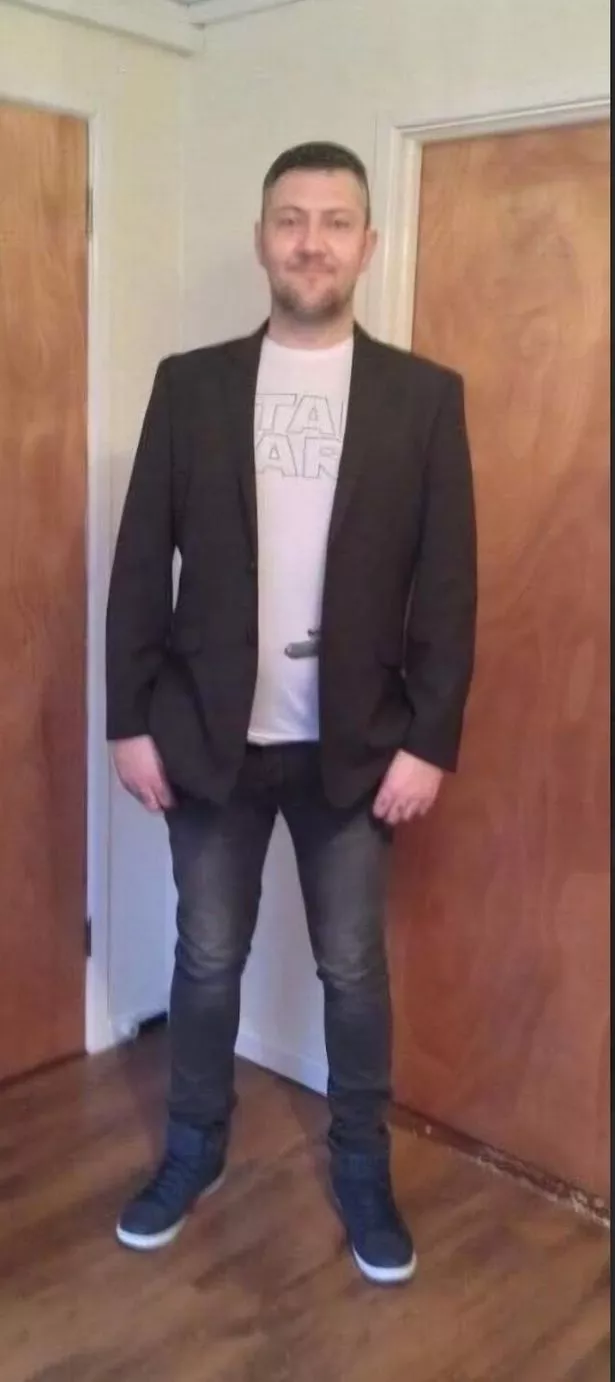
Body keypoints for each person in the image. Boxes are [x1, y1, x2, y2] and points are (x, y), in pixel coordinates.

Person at [106, 141, 477, 1285]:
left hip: (356, 750)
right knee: (208, 957)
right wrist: (128, 719)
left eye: (335, 221)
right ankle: (193, 1149)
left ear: (368, 244)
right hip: (210, 742)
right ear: (263, 238)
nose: (312, 241)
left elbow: (449, 583)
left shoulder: (424, 397)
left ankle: (362, 1167)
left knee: (353, 969)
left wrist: (429, 740)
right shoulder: (192, 385)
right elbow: (140, 563)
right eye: (291, 219)